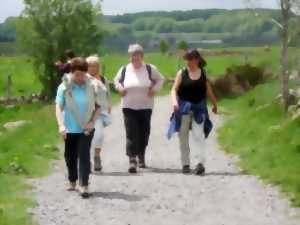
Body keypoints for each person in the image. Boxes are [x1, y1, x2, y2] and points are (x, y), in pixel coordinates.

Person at [55, 57, 107, 198]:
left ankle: (84, 185)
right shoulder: (64, 87)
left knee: (84, 155)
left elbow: (98, 106)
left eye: (82, 74)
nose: (79, 78)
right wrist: (61, 125)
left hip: (86, 128)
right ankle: (72, 179)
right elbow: (59, 107)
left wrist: (93, 121)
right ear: (71, 73)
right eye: (76, 74)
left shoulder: (92, 86)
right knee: (70, 156)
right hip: (69, 128)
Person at [114, 44, 165, 173]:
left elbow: (161, 79)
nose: (134, 59)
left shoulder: (149, 68)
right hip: (128, 106)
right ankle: (132, 159)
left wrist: (154, 90)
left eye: (136, 56)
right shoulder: (124, 69)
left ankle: (141, 155)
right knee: (131, 132)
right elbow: (116, 81)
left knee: (144, 132)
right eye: (132, 56)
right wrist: (120, 88)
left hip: (145, 106)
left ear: (142, 57)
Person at [168, 49, 218, 175]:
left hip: (199, 108)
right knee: (183, 136)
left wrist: (214, 104)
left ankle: (200, 163)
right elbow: (174, 89)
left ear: (197, 60)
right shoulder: (182, 73)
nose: (188, 61)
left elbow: (208, 90)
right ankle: (185, 163)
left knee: (198, 135)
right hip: (183, 108)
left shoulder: (203, 73)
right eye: (187, 59)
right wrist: (174, 102)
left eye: (190, 59)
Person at [86, 55, 112, 172]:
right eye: (90, 66)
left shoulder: (102, 79)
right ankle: (85, 160)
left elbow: (107, 94)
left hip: (99, 112)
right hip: (84, 114)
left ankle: (97, 156)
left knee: (99, 135)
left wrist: (109, 106)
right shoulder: (83, 79)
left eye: (95, 66)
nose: (92, 68)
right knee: (85, 138)